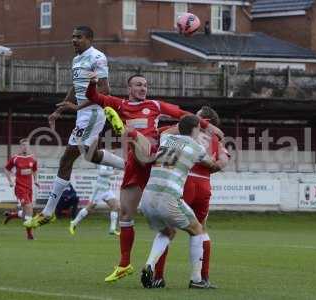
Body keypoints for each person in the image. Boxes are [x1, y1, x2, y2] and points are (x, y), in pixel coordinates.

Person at [60, 73, 224, 282]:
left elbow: (182, 113)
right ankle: (124, 264)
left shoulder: (154, 105)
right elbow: (94, 96)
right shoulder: (119, 104)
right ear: (129, 88)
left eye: (145, 85)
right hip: (134, 163)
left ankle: (127, 132)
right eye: (138, 85)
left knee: (153, 138)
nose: (143, 88)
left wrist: (207, 125)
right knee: (126, 215)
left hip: (151, 153)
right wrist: (92, 82)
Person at [24, 26, 124, 229]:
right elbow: (76, 86)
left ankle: (48, 212)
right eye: (72, 36)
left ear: (89, 38)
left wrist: (79, 106)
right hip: (83, 114)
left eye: (78, 37)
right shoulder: (76, 60)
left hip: (93, 113)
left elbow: (105, 90)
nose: (74, 40)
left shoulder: (97, 57)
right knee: (90, 155)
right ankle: (131, 166)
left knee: (67, 157)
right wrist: (60, 110)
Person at [152, 106, 229, 288]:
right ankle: (201, 278)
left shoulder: (184, 130)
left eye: (197, 115)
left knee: (167, 229)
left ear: (205, 121)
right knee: (201, 230)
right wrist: (213, 163)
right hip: (204, 185)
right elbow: (222, 162)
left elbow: (160, 134)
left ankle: (158, 277)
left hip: (184, 181)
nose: (192, 116)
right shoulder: (216, 139)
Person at [69, 165, 120, 236]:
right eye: (113, 152)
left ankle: (112, 229)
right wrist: (113, 172)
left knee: (115, 206)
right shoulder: (103, 160)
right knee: (90, 207)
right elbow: (102, 172)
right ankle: (74, 223)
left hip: (106, 189)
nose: (114, 152)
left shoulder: (110, 161)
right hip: (99, 189)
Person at [3, 138, 39, 240]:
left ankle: (12, 215)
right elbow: (6, 169)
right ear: (20, 146)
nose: (25, 147)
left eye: (26, 145)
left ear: (29, 146)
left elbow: (35, 170)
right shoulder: (15, 158)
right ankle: (29, 235)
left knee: (25, 213)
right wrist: (10, 181)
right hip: (20, 188)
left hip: (29, 188)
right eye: (23, 145)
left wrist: (36, 180)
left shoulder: (33, 158)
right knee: (29, 209)